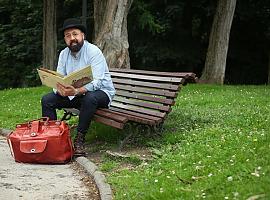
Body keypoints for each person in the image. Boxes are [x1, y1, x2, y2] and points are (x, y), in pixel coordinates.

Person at [41, 18, 115, 156]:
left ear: (82, 35)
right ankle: (52, 139)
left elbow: (98, 82)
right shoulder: (64, 54)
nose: (72, 38)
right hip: (75, 94)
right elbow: (59, 78)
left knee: (90, 97)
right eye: (68, 36)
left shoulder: (93, 51)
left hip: (101, 94)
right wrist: (60, 90)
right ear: (65, 39)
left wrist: (77, 91)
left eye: (75, 34)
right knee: (47, 100)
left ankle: (79, 141)